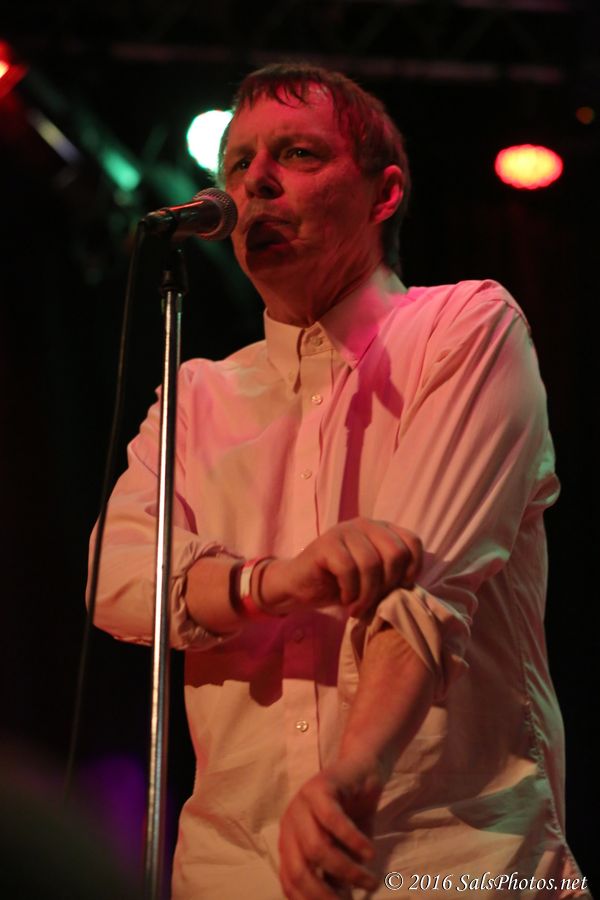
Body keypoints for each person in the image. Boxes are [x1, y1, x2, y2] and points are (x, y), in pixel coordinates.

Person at [90, 64, 589, 899]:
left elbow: (424, 590)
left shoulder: (464, 327)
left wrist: (352, 775)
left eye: (297, 154)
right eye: (238, 162)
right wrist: (275, 581)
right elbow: (114, 574)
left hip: (451, 866)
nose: (256, 181)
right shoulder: (198, 395)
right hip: (232, 873)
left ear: (383, 194)